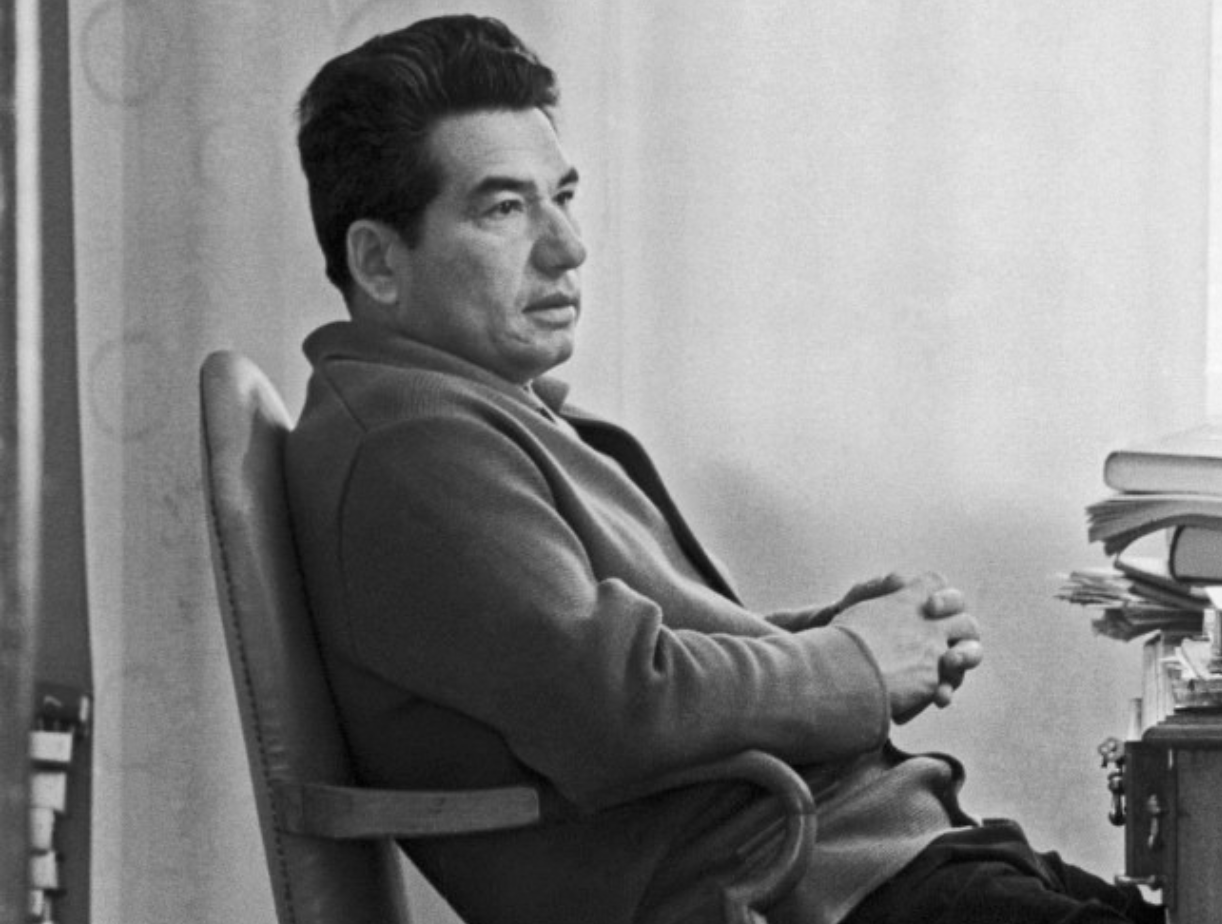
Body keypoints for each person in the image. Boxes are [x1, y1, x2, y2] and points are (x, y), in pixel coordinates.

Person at [285, 14, 1162, 924]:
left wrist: (841, 634)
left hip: (864, 860)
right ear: (378, 262)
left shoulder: (465, 412)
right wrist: (857, 663)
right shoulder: (410, 446)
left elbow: (625, 660)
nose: (567, 247)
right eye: (504, 209)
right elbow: (620, 706)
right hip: (804, 890)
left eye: (563, 197)